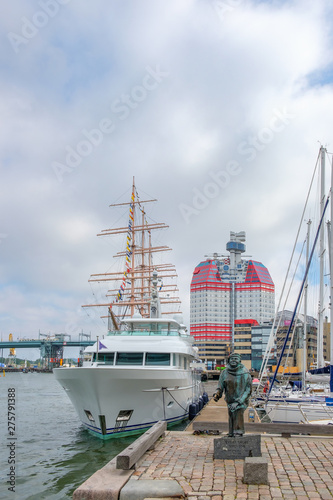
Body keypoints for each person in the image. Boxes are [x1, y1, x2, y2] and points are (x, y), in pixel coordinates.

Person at [213, 353, 252, 437]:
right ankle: (231, 432)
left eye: (236, 358)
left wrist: (239, 401)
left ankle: (238, 431)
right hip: (230, 399)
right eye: (232, 359)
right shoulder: (224, 372)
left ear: (240, 361)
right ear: (228, 361)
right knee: (231, 415)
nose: (233, 360)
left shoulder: (245, 373)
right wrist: (217, 394)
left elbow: (248, 389)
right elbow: (220, 386)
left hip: (241, 400)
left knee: (238, 412)